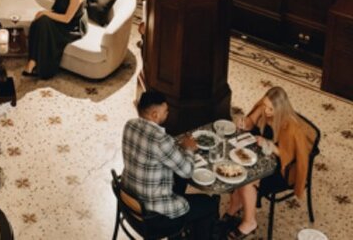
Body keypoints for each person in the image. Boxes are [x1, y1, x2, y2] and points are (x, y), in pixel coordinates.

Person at [222, 86, 316, 239]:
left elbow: (291, 157)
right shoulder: (264, 108)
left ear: (280, 109)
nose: (266, 111)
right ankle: (235, 206)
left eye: (271, 109)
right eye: (265, 106)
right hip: (262, 156)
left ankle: (249, 222)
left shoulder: (292, 128)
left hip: (281, 169)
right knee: (237, 166)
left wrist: (271, 146)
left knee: (247, 179)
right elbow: (252, 120)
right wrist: (245, 123)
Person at [122, 91, 218, 239]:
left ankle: (179, 235)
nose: (168, 113)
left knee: (178, 180)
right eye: (165, 111)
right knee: (209, 204)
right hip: (153, 219)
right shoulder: (161, 141)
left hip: (129, 205)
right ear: (154, 114)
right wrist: (189, 149)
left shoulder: (130, 125)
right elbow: (187, 171)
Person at [22, 0, 88, 79]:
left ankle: (40, 67)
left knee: (43, 21)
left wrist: (46, 12)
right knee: (38, 23)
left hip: (72, 25)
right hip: (61, 16)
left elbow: (67, 18)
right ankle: (33, 61)